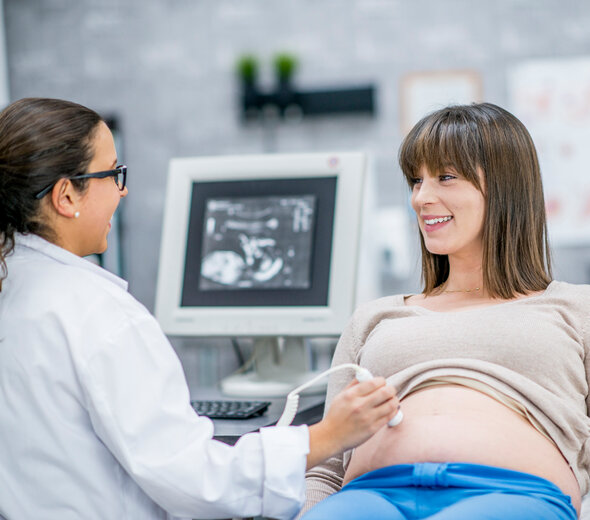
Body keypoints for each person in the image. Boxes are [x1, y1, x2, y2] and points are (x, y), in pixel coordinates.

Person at [0, 97, 399, 520]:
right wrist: (328, 435)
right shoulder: (97, 315)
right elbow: (195, 482)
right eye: (113, 173)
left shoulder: (14, 291)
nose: (123, 189)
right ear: (66, 195)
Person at [299, 102, 589, 520]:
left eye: (445, 177)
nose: (421, 197)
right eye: (416, 180)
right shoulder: (374, 318)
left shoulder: (574, 309)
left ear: (506, 186)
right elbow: (326, 466)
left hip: (511, 494)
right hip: (369, 496)